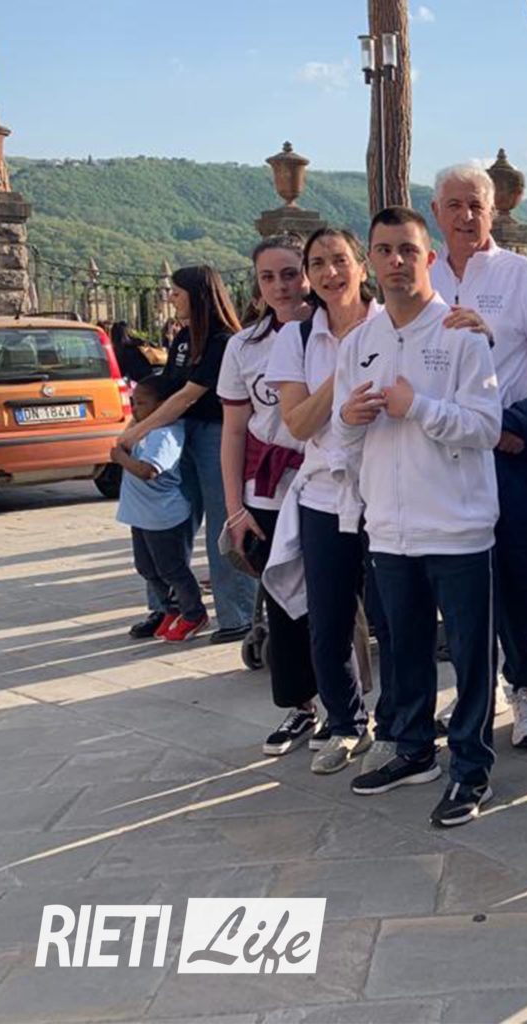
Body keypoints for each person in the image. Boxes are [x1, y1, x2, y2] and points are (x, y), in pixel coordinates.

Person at [335, 207, 503, 829]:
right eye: (384, 250)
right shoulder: (360, 343)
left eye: (408, 249)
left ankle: (471, 767)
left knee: (470, 655)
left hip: (457, 527)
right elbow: (342, 444)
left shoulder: (461, 334)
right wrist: (348, 420)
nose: (396, 261)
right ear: (370, 263)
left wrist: (419, 407)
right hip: (390, 529)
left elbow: (486, 427)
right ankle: (412, 750)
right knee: (403, 650)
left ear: (429, 258)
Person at [428, 163, 527, 748]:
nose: (466, 216)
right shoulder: (424, 276)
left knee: (515, 576)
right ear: (436, 212)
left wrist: (523, 421)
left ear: (492, 212)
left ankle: (525, 687)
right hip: (443, 454)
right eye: (455, 205)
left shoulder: (520, 274)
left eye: (476, 205)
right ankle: (473, 691)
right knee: (458, 581)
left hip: (508, 449)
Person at [266, 227, 394, 776]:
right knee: (329, 618)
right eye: (317, 263)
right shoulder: (296, 339)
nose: (330, 273)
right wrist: (345, 368)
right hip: (323, 494)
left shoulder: (393, 325)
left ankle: (398, 723)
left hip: (389, 489)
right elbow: (297, 423)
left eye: (339, 260)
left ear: (361, 265)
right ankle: (345, 723)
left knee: (393, 616)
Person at [216, 235, 320, 757]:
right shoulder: (244, 347)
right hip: (270, 488)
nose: (281, 286)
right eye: (268, 277)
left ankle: (354, 707)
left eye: (290, 273)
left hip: (330, 481)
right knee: (283, 598)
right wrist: (235, 509)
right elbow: (235, 430)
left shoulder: (338, 332)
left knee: (344, 600)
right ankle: (300, 704)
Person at [117, 266, 255, 643]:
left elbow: (187, 396)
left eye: (177, 293)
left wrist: (137, 433)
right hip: (178, 432)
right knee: (166, 523)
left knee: (222, 523)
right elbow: (165, 390)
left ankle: (238, 614)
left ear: (198, 295)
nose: (171, 298)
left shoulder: (223, 341)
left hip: (215, 435)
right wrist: (138, 422)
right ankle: (169, 608)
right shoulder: (181, 339)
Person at [112, 374, 207, 641]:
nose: (135, 409)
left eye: (142, 403)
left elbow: (148, 470)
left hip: (164, 516)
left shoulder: (166, 434)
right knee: (147, 567)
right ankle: (170, 609)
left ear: (163, 405)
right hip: (141, 515)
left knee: (171, 568)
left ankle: (193, 613)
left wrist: (120, 458)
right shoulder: (141, 431)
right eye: (133, 402)